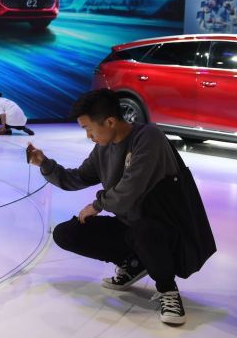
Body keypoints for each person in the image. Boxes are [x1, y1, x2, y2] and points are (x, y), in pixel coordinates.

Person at [27, 89, 190, 325]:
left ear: (110, 121)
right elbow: (77, 178)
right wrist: (45, 164)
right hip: (131, 224)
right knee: (66, 233)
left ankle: (168, 291)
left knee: (144, 231)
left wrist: (97, 204)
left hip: (162, 227)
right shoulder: (104, 147)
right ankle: (134, 263)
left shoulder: (149, 137)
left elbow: (129, 189)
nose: (88, 136)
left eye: (88, 129)